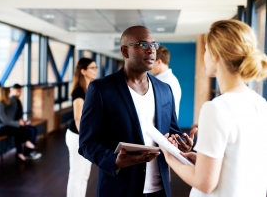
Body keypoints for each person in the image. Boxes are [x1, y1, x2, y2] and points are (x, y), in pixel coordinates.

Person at [78, 25, 197, 197]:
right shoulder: (101, 89)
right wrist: (114, 161)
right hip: (119, 189)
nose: (151, 50)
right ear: (125, 51)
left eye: (153, 45)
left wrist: (182, 146)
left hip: (159, 188)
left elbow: (172, 132)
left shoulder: (165, 90)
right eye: (143, 45)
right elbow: (87, 144)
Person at [160, 19, 267, 197]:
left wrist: (170, 158)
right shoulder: (261, 103)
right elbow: (241, 162)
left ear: (216, 56)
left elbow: (205, 183)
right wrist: (201, 160)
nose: (205, 55)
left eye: (206, 50)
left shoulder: (217, 108)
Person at [65, 58, 98, 197]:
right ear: (83, 71)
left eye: (96, 67)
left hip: (85, 136)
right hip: (77, 136)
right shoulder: (79, 91)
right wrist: (86, 140)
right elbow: (78, 118)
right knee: (76, 175)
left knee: (84, 175)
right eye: (92, 68)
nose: (96, 70)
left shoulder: (90, 88)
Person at [0, 87, 39, 162]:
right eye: (8, 94)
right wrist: (18, 123)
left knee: (17, 130)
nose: (9, 96)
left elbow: (6, 121)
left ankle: (20, 152)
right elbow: (6, 121)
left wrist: (18, 123)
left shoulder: (1, 104)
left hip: (0, 127)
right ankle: (25, 143)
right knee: (17, 129)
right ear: (4, 95)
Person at [9, 83, 41, 159]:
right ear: (12, 90)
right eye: (17, 91)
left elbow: (19, 115)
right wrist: (20, 122)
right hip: (15, 125)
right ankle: (27, 152)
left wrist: (23, 121)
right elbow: (10, 117)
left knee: (34, 129)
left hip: (19, 123)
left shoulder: (18, 101)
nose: (19, 93)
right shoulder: (12, 101)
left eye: (20, 91)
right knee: (31, 131)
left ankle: (29, 151)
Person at [150, 46, 181, 119]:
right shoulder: (167, 80)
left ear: (159, 62)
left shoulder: (167, 82)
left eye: (152, 62)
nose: (150, 67)